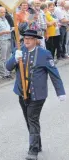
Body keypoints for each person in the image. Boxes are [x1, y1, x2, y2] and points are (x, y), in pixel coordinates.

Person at [6, 29, 66, 160]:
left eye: (30, 39)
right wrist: (15, 59)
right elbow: (8, 67)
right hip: (22, 93)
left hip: (37, 94)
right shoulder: (19, 51)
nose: (26, 41)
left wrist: (60, 92)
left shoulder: (44, 54)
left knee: (32, 119)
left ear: (35, 41)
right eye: (25, 38)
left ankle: (33, 151)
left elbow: (54, 74)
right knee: (29, 119)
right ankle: (37, 144)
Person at [0, 7, 13, 79]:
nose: (3, 13)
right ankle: (3, 73)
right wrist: (4, 32)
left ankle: (7, 72)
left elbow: (7, 28)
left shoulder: (5, 20)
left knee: (8, 57)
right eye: (2, 12)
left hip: (8, 39)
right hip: (2, 40)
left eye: (4, 12)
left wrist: (11, 30)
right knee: (3, 57)